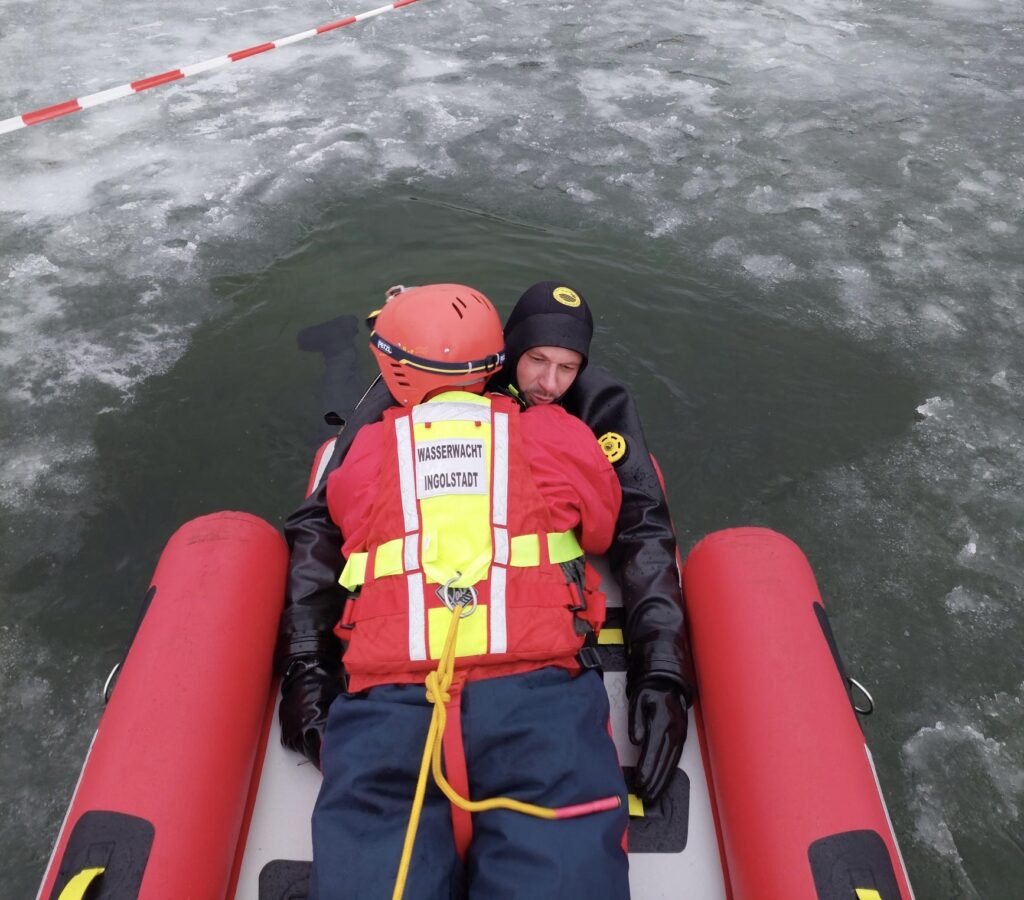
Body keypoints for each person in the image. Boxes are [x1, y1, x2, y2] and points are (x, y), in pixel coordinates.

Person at [278, 281, 694, 808]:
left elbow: (643, 526)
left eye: (568, 367)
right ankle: (340, 347)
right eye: (536, 361)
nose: (550, 383)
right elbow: (322, 517)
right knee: (342, 415)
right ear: (506, 352)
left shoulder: (595, 401)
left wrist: (661, 667)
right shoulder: (435, 376)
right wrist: (306, 664)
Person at [306, 284, 629, 898]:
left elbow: (344, 519)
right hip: (539, 704)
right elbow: (601, 527)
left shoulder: (368, 448)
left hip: (391, 708)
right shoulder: (556, 434)